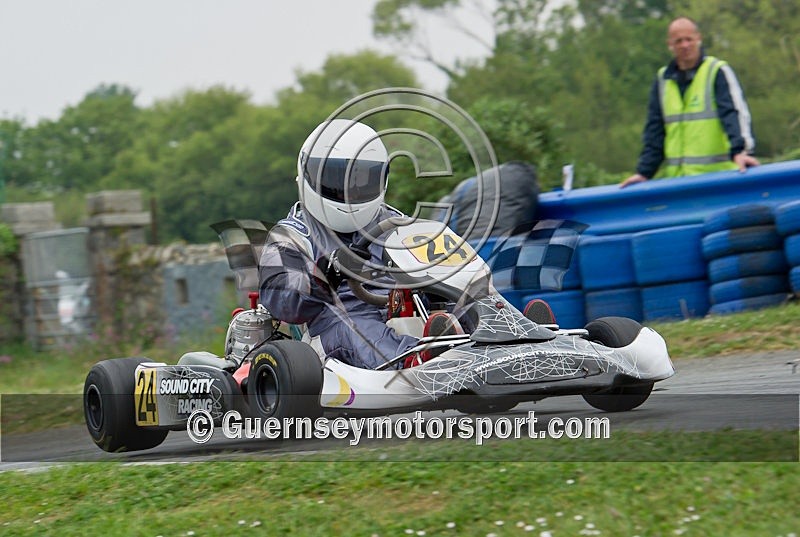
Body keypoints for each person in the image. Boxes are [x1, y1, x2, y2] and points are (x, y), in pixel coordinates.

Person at [258, 119, 459, 370]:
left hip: (403, 319)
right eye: (336, 178)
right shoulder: (291, 235)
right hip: (329, 337)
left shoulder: (397, 224)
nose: (349, 189)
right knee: (355, 327)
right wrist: (325, 277)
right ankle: (416, 363)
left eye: (361, 178)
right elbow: (281, 301)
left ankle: (492, 341)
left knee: (455, 304)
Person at [620, 16, 759, 188]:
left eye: (689, 39)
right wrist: (644, 172)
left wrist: (741, 151)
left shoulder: (716, 71)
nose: (684, 45)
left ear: (698, 39)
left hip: (719, 180)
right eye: (678, 41)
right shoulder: (663, 80)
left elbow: (734, 114)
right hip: (679, 184)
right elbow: (655, 131)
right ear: (670, 45)